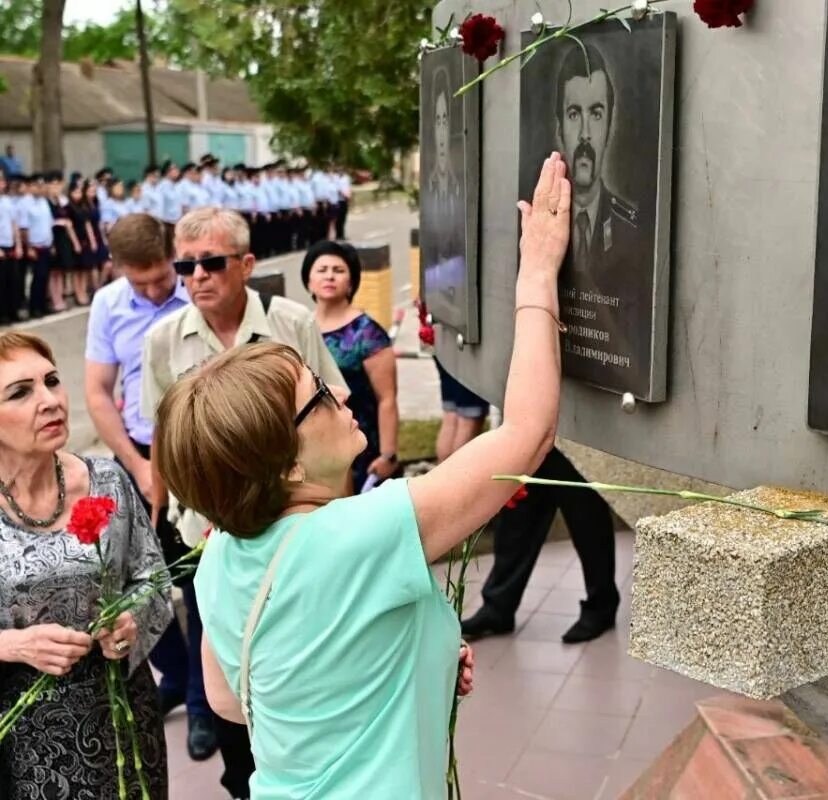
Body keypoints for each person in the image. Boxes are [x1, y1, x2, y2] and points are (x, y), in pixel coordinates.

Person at [152, 151, 571, 797]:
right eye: (319, 395)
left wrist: (405, 657)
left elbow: (232, 703)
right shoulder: (363, 533)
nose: (344, 397)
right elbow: (527, 434)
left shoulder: (219, 556)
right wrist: (538, 268)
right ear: (284, 461)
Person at [140, 206, 346, 799]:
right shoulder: (163, 340)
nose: (197, 276)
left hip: (296, 525)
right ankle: (218, 732)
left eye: (211, 262)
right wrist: (161, 514)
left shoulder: (292, 322)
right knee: (220, 640)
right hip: (211, 529)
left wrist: (342, 514)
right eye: (186, 265)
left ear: (248, 264)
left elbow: (333, 413)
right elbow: (165, 440)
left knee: (297, 647)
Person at [0, 330, 171, 797]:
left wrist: (132, 620)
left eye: (52, 382)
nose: (50, 400)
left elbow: (152, 578)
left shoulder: (107, 481)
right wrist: (14, 644)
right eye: (21, 392)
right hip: (21, 740)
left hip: (123, 721)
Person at [83, 213, 218, 763]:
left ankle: (207, 698)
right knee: (139, 584)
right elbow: (97, 391)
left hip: (200, 456)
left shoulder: (198, 291)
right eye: (141, 283)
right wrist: (138, 466)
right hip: (140, 458)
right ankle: (180, 675)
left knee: (204, 578)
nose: (156, 290)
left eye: (162, 278)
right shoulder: (109, 304)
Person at [461, 445, 620, 643]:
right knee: (516, 517)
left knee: (585, 516)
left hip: (577, 439)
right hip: (533, 432)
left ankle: (601, 606)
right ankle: (498, 607)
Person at [302, 241, 398, 492]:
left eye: (338, 270)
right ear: (309, 281)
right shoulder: (301, 327)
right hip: (313, 446)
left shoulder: (367, 333)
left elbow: (387, 399)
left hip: (359, 445)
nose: (329, 276)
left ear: (352, 282)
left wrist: (388, 455)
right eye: (321, 270)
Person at [555, 42, 639, 278]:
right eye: (573, 114)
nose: (585, 133)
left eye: (596, 114)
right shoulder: (534, 222)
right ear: (559, 128)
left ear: (609, 127)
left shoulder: (633, 233)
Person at [17, 174, 54, 318]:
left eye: (42, 185)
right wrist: (29, 247)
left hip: (46, 244)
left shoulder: (44, 201)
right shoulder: (25, 204)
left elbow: (48, 224)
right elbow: (24, 228)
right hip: (34, 246)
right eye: (38, 186)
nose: (41, 188)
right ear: (31, 186)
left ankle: (42, 305)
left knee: (45, 277)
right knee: (36, 278)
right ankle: (34, 307)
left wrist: (51, 244)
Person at [47, 172, 80, 313]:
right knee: (53, 271)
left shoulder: (63, 202)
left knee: (61, 270)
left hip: (64, 238)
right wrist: (58, 222)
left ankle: (60, 297)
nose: (56, 187)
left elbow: (69, 223)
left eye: (58, 184)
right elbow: (48, 222)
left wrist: (75, 242)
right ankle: (54, 299)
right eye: (53, 184)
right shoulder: (46, 203)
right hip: (52, 237)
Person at [67, 178, 99, 306]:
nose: (78, 195)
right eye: (75, 192)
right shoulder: (68, 208)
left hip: (85, 240)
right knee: (77, 269)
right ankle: (78, 292)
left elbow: (87, 225)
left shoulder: (83, 207)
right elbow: (69, 227)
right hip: (75, 241)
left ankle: (84, 291)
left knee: (85, 268)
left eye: (80, 192)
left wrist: (92, 241)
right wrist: (75, 243)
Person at [0, 173, 22, 325]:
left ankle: (12, 311)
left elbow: (14, 224)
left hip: (11, 245)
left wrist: (18, 244)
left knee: (12, 281)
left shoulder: (8, 201)